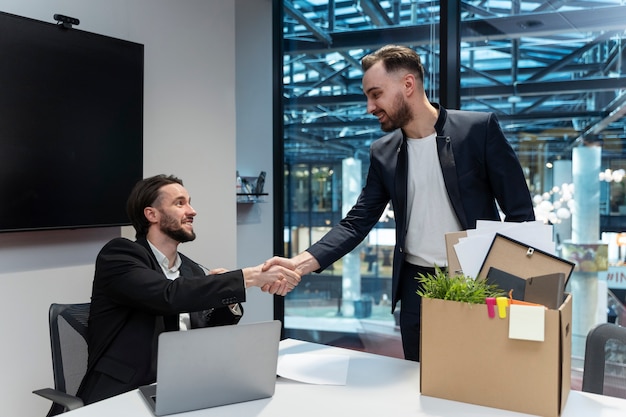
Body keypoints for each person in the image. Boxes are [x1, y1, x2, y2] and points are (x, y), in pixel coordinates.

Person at [264, 44, 535, 361]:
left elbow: (520, 214)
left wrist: (515, 288)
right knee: (417, 378)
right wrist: (300, 263)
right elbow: (357, 221)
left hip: (476, 281)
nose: (369, 106)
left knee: (478, 375)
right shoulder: (383, 152)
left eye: (376, 94)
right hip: (416, 284)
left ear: (408, 84)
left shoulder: (477, 130)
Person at [76, 174, 300, 405]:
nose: (192, 211)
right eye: (180, 203)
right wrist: (249, 277)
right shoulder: (120, 255)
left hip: (185, 388)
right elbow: (167, 296)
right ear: (151, 214)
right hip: (124, 393)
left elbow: (206, 334)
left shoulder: (191, 270)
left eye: (189, 202)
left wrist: (226, 300)